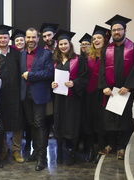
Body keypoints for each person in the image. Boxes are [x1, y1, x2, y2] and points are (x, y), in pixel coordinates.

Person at [98, 14, 134, 160]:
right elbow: (102, 69)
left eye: (119, 29)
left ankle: (122, 147)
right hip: (110, 90)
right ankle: (111, 145)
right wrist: (104, 86)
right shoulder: (106, 50)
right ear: (111, 32)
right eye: (114, 30)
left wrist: (128, 86)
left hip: (125, 90)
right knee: (109, 117)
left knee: (124, 118)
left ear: (125, 30)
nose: (116, 32)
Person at [52, 29, 88, 166]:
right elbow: (51, 77)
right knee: (59, 125)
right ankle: (60, 154)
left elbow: (85, 78)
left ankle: (72, 154)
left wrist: (74, 83)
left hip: (73, 99)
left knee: (72, 125)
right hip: (59, 98)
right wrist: (52, 83)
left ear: (69, 44)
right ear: (58, 46)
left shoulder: (79, 59)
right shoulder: (55, 60)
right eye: (60, 44)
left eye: (65, 43)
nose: (63, 46)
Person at [20, 27, 53, 171]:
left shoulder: (45, 54)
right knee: (31, 123)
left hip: (39, 95)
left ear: (38, 38)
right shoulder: (21, 54)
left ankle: (42, 158)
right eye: (28, 37)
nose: (31, 40)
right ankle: (35, 152)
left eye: (33, 37)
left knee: (40, 124)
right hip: (24, 94)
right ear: (25, 38)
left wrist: (31, 75)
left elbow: (49, 73)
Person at [0, 25, 24, 163]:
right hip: (0, 96)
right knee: (3, 123)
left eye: (5, 37)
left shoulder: (17, 54)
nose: (3, 39)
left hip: (16, 94)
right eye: (0, 37)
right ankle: (4, 149)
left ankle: (16, 150)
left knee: (18, 123)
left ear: (8, 38)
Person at [82, 25, 110, 163]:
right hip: (90, 92)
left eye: (99, 38)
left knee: (101, 122)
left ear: (104, 39)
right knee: (89, 121)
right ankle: (91, 149)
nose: (96, 40)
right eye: (94, 39)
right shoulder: (88, 55)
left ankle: (101, 148)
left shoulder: (110, 54)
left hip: (104, 93)